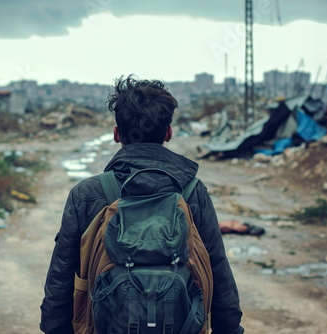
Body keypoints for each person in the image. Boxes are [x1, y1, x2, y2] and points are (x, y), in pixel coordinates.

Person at [40, 75, 245, 334]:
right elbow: (218, 272)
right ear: (168, 133)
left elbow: (60, 281)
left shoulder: (87, 194)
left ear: (116, 134)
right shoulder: (193, 192)